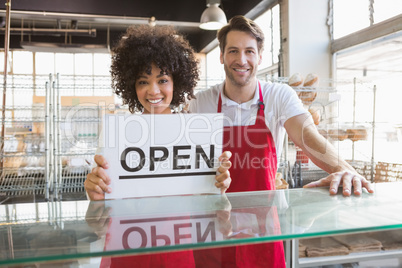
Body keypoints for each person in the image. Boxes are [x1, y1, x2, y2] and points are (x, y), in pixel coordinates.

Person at [188, 15, 374, 267]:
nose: (241, 60)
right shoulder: (202, 103)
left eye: (249, 51)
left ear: (259, 57)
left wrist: (345, 171)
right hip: (215, 226)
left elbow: (308, 137)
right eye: (233, 51)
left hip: (264, 227)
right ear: (221, 56)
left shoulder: (278, 95)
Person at [84, 25, 232, 268]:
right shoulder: (117, 135)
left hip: (177, 251)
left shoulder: (195, 135)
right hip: (126, 250)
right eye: (143, 81)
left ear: (177, 82)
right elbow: (97, 221)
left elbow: (215, 217)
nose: (153, 91)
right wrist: (94, 194)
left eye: (163, 80)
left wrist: (220, 188)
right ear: (132, 85)